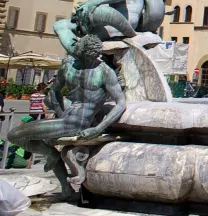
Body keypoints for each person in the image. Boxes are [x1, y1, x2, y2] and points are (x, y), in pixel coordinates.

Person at [8, 35, 126, 199]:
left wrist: (98, 128)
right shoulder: (69, 67)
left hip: (80, 123)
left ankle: (54, 161)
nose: (94, 57)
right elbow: (53, 92)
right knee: (15, 135)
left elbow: (121, 103)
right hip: (67, 120)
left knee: (14, 134)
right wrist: (61, 111)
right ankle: (62, 179)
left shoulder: (105, 71)